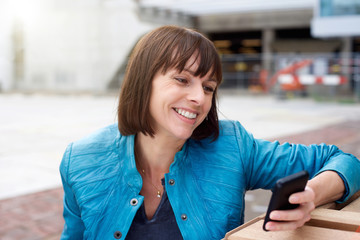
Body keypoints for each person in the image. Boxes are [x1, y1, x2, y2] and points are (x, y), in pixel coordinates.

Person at [59, 25, 360, 240]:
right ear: (143, 81)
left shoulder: (232, 146)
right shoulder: (80, 160)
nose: (199, 98)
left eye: (208, 87)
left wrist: (311, 195)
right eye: (182, 79)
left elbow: (343, 161)